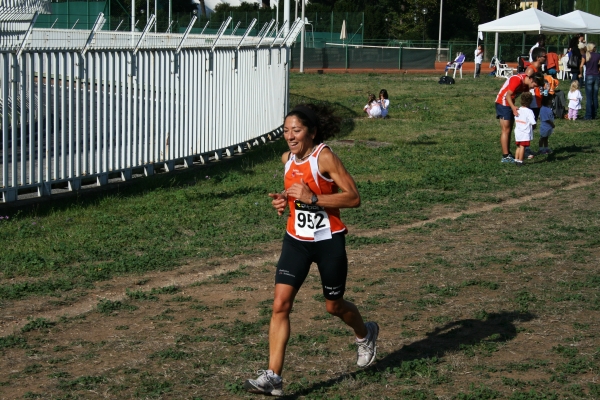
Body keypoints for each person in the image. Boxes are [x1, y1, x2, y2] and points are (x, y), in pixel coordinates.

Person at [244, 104, 379, 396]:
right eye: (286, 131)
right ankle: (274, 377)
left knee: (334, 306)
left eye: (297, 130)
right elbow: (296, 194)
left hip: (328, 241)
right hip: (296, 240)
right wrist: (284, 200)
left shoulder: (324, 157)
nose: (290, 136)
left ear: (312, 132)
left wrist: (313, 197)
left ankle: (365, 333)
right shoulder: (287, 159)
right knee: (280, 304)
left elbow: (353, 198)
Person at [495, 72, 545, 163]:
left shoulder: (526, 85)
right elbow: (508, 95)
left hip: (509, 103)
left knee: (509, 129)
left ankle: (508, 154)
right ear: (531, 79)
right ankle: (505, 156)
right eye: (534, 85)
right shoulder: (517, 80)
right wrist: (513, 108)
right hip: (502, 102)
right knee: (506, 129)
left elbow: (525, 98)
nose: (534, 87)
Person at [524, 47, 547, 159]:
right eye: (544, 56)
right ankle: (525, 149)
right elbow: (525, 85)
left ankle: (526, 148)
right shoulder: (530, 70)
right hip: (531, 101)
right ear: (538, 57)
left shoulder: (539, 70)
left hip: (538, 100)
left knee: (532, 126)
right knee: (528, 125)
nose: (546, 58)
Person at [514, 92, 536, 166]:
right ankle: (520, 161)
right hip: (525, 132)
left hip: (517, 131)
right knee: (523, 146)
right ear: (530, 101)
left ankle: (516, 159)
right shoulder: (529, 112)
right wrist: (533, 127)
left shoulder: (517, 110)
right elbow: (533, 122)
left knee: (518, 146)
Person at [583, 43, 600, 120]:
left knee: (589, 97)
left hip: (589, 75)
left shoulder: (585, 55)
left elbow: (581, 65)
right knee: (595, 96)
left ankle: (588, 115)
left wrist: (580, 74)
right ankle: (595, 113)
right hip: (596, 76)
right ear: (593, 48)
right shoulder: (598, 55)